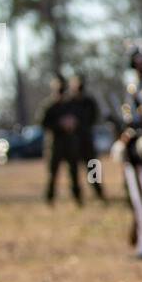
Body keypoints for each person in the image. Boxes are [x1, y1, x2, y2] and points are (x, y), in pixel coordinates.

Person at [40, 74, 82, 205]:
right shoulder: (49, 106)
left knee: (74, 172)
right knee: (53, 174)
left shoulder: (72, 105)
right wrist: (59, 124)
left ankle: (77, 197)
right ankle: (49, 198)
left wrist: (73, 123)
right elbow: (42, 123)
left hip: (70, 143)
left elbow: (82, 120)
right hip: (55, 144)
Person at [66, 73, 106, 201]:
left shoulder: (89, 101)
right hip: (72, 141)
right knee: (73, 170)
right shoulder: (68, 102)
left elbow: (94, 117)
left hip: (87, 140)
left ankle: (98, 192)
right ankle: (76, 195)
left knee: (93, 167)